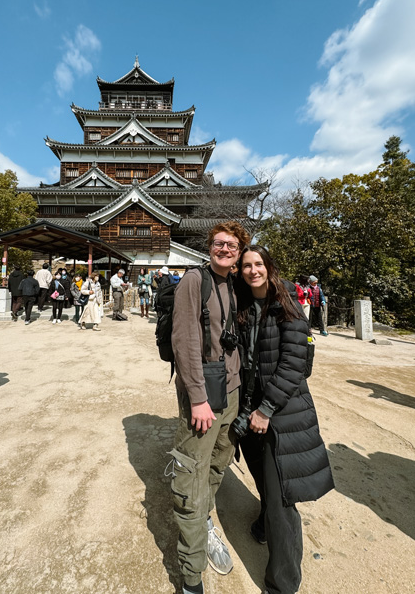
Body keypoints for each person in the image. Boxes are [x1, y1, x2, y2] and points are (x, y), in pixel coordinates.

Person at [235, 246, 334, 594]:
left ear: (269, 267)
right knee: (263, 477)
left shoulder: (287, 302)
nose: (252, 270)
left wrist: (266, 409)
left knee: (281, 500)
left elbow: (294, 364)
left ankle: (282, 583)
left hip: (281, 414)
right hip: (249, 410)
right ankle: (263, 524)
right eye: (246, 266)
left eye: (258, 264)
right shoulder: (243, 304)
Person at [168, 221, 249, 594]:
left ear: (240, 251)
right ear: (209, 246)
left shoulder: (233, 285)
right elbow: (183, 339)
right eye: (218, 243)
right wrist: (197, 398)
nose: (224, 249)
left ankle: (204, 522)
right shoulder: (193, 281)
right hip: (205, 396)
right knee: (191, 476)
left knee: (217, 464)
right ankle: (191, 574)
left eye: (231, 245)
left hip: (231, 393)